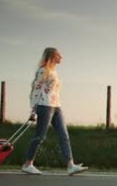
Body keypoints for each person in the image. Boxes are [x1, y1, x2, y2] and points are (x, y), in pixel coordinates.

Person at [21, 47, 88, 176]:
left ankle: (70, 166)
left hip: (56, 106)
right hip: (44, 106)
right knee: (40, 136)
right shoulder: (43, 71)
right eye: (58, 55)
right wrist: (33, 111)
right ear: (52, 56)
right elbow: (36, 91)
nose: (61, 57)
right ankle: (27, 164)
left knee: (64, 135)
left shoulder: (53, 72)